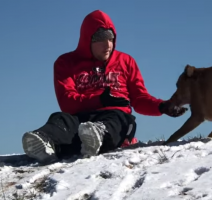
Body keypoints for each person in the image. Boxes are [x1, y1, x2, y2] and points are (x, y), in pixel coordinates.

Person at [22, 10, 187, 164]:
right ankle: (44, 140)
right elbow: (67, 102)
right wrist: (100, 99)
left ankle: (97, 136)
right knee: (61, 119)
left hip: (115, 117)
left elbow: (139, 98)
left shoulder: (125, 61)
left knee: (119, 119)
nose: (108, 44)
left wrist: (161, 106)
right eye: (100, 38)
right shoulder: (66, 63)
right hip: (80, 118)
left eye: (111, 38)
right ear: (88, 39)